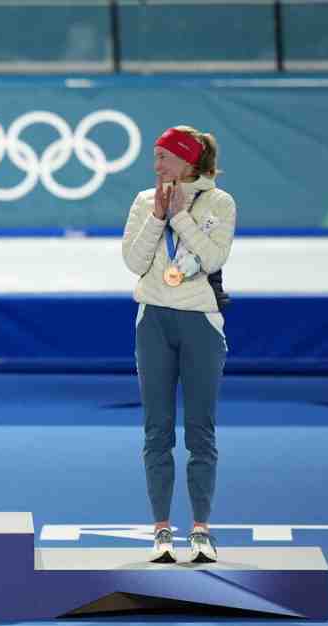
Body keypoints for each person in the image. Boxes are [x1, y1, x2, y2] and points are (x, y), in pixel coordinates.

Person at [122, 126, 236, 563]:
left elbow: (211, 258)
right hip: (153, 320)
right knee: (157, 429)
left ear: (188, 161)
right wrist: (156, 216)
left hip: (201, 324)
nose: (157, 165)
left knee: (201, 431)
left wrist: (180, 215)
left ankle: (202, 531)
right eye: (155, 156)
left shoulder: (220, 203)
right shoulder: (141, 201)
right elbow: (134, 262)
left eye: (165, 158)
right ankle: (161, 530)